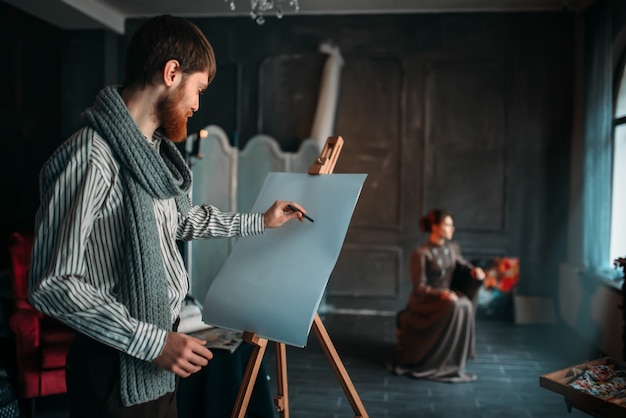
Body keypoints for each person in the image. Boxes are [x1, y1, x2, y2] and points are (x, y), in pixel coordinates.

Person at [28, 15, 309, 418]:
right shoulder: (91, 155)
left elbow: (180, 220)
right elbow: (52, 285)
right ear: (172, 73)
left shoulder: (149, 155)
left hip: (155, 362)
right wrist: (154, 343)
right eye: (199, 89)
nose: (197, 105)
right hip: (115, 368)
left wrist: (260, 221)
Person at [389, 208, 485, 383]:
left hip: (447, 296)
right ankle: (439, 359)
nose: (452, 228)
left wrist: (475, 271)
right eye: (448, 224)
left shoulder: (453, 248)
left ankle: (453, 359)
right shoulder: (421, 253)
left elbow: (463, 265)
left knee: (464, 304)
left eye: (452, 225)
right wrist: (440, 294)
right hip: (426, 300)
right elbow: (420, 287)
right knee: (456, 305)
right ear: (435, 227)